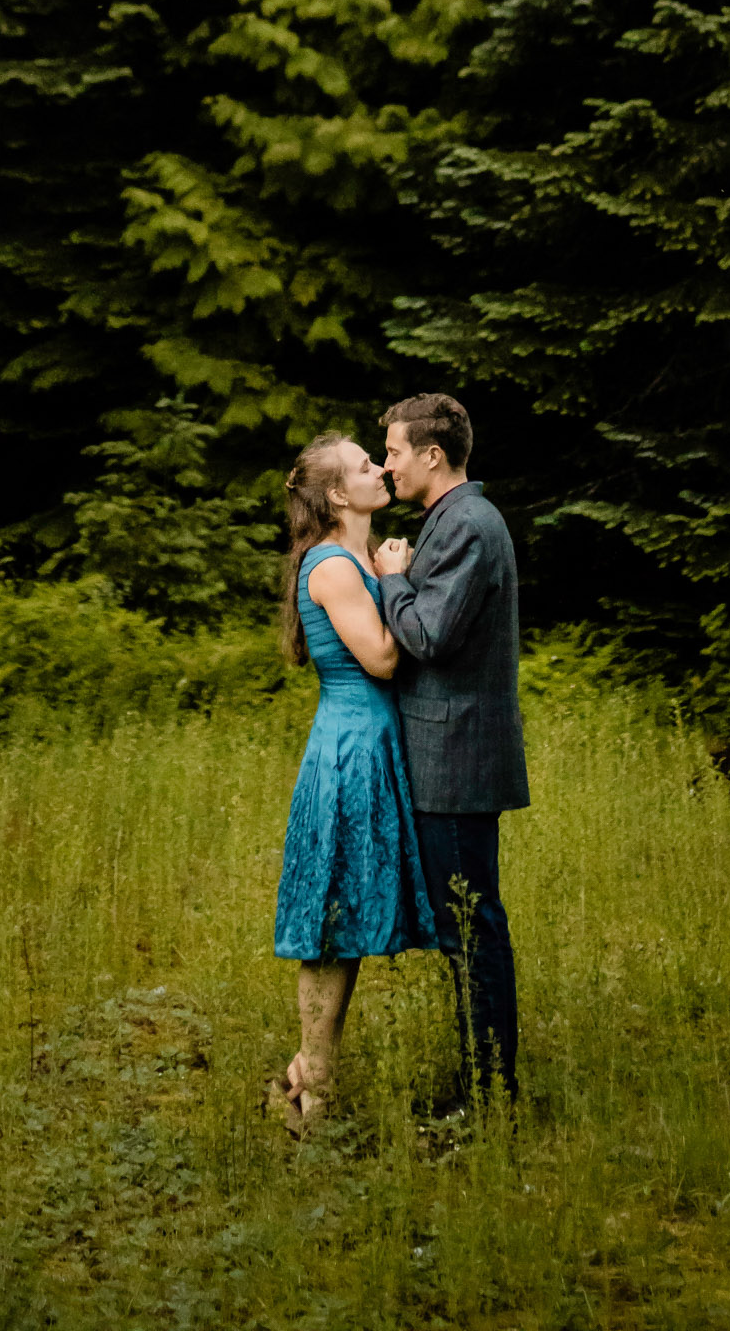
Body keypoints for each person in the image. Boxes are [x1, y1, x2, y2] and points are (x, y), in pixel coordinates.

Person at [272, 434, 438, 1131]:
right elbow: (382, 659)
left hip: (369, 744)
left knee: (344, 920)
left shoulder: (356, 560)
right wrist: (397, 577)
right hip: (348, 751)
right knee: (329, 924)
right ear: (338, 495)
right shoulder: (336, 567)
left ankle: (307, 1077)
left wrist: (389, 571)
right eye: (366, 465)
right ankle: (315, 1097)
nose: (381, 469)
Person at [373, 391, 528, 1107]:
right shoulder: (452, 519)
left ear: (433, 455)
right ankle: (479, 1076)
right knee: (463, 922)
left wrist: (392, 579)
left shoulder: (466, 523)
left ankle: (489, 1090)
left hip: (457, 761)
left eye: (396, 452)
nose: (387, 466)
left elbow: (429, 636)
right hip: (447, 757)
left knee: (471, 923)